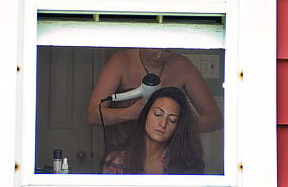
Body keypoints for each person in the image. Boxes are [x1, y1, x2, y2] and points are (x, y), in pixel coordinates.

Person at [86, 48, 223, 139]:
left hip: (168, 159)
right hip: (123, 156)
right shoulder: (121, 61)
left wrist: (178, 124)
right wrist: (129, 113)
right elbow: (92, 116)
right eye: (154, 48)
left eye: (167, 51)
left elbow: (215, 120)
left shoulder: (183, 66)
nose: (159, 56)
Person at [101, 86, 204, 175]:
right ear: (145, 115)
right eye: (157, 114)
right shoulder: (118, 160)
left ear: (178, 127)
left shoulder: (185, 164)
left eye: (172, 120)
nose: (163, 124)